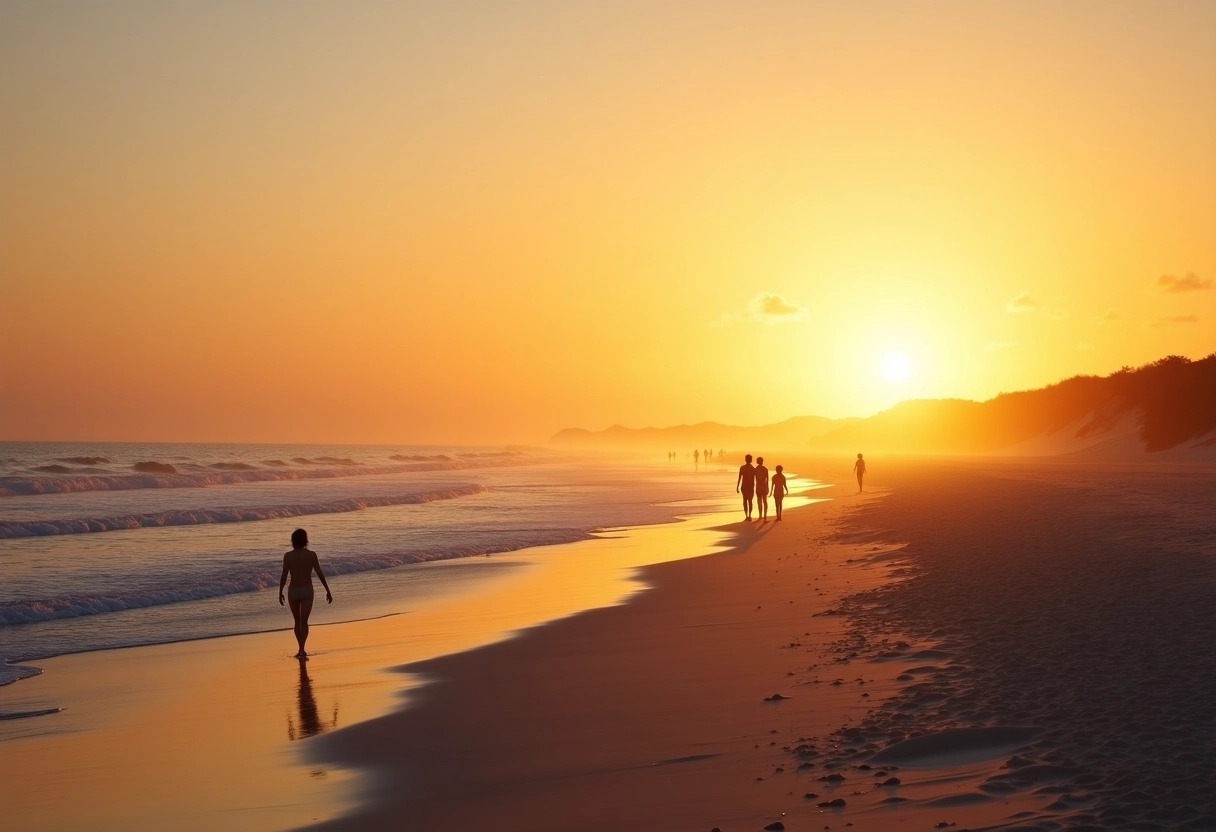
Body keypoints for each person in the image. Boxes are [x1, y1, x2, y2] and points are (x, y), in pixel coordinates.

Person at [279, 528, 333, 659]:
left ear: (293, 541)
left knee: (297, 622)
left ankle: (300, 649)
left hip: (293, 591)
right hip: (307, 591)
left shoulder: (288, 556)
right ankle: (303, 648)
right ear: (306, 540)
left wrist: (280, 592)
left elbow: (284, 576)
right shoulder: (312, 555)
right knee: (304, 622)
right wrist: (328, 590)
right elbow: (320, 573)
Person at [736, 454, 756, 520]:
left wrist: (737, 486)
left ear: (745, 459)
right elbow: (757, 479)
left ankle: (746, 515)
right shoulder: (753, 468)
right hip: (750, 487)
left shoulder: (742, 468)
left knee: (744, 501)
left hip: (744, 487)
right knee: (750, 501)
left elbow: (739, 478)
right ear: (751, 460)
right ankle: (749, 515)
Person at [755, 456, 770, 521]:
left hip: (758, 486)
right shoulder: (765, 469)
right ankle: (765, 516)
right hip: (764, 486)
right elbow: (767, 479)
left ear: (757, 461)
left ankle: (760, 515)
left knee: (759, 501)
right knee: (765, 501)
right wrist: (767, 487)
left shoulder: (756, 469)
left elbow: (754, 478)